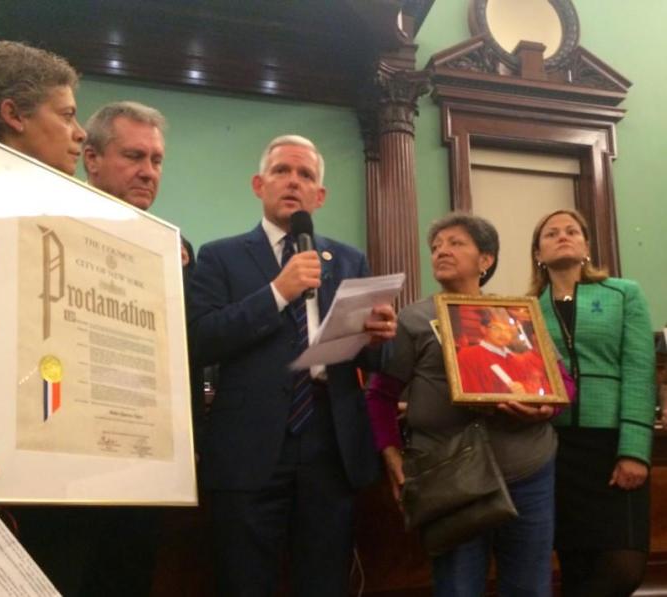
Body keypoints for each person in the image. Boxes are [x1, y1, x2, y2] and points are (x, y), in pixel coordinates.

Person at [190, 134, 397, 596]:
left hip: (330, 436)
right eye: (282, 170)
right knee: (244, 580)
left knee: (324, 581)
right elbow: (202, 339)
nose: (293, 181)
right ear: (258, 184)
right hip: (249, 442)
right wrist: (278, 292)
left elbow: (372, 359)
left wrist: (379, 335)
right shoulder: (220, 255)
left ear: (319, 196)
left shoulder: (347, 259)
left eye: (306, 175)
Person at [366, 212, 562, 597]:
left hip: (529, 470)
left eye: (455, 243)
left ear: (485, 260)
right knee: (458, 588)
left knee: (530, 587)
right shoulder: (413, 319)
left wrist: (547, 408)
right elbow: (380, 395)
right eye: (436, 246)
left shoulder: (516, 313)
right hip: (449, 478)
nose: (442, 251)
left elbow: (560, 382)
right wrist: (392, 458)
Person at [0, 40, 89, 591]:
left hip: (39, 478)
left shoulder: (50, 217)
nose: (81, 133)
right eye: (67, 115)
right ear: (13, 114)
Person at [81, 100, 198, 596]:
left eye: (156, 160)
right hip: (64, 460)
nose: (148, 172)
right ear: (91, 158)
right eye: (133, 156)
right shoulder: (46, 220)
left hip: (143, 467)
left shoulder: (174, 248)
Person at [530, 209, 655, 596]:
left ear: (586, 245)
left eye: (572, 231)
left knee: (624, 569)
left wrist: (634, 450)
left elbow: (639, 369)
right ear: (538, 252)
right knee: (575, 563)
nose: (563, 236)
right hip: (554, 448)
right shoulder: (526, 307)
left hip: (612, 445)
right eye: (551, 233)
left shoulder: (624, 293)